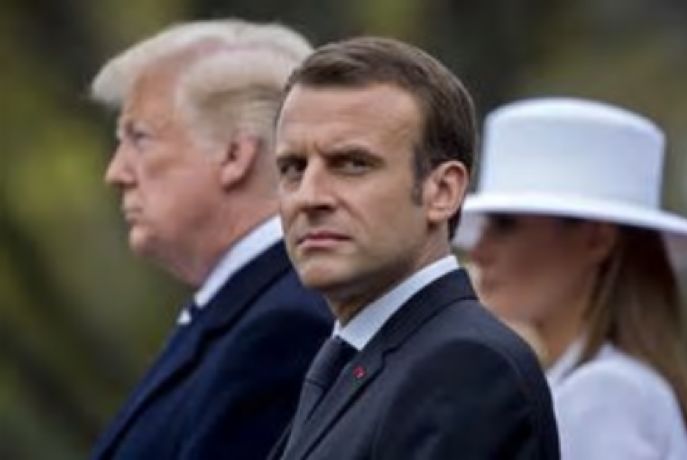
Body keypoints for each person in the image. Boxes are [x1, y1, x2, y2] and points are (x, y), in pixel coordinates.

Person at [268, 36, 560, 459]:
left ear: (443, 191)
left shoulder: (464, 366)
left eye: (352, 164)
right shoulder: (358, 357)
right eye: (293, 168)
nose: (309, 196)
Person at [89, 20, 332, 459]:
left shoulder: (284, 329)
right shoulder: (248, 311)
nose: (116, 173)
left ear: (235, 155)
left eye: (139, 138)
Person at [458, 97, 687, 459]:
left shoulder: (606, 393)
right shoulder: (592, 387)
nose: (478, 251)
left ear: (596, 240)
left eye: (505, 225)